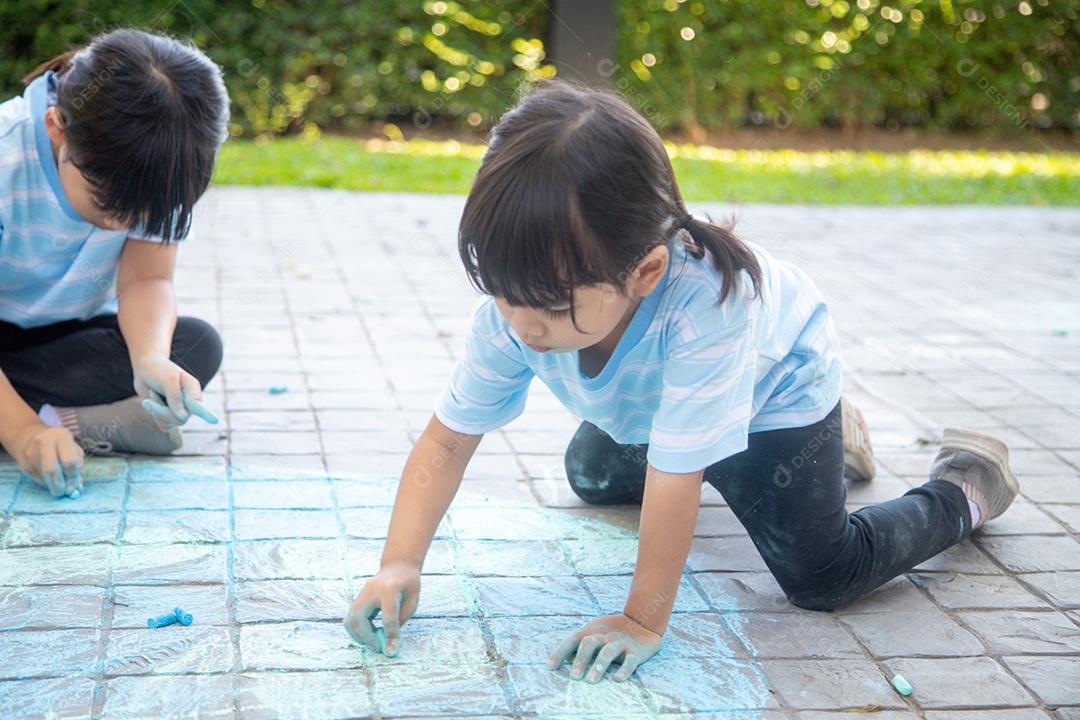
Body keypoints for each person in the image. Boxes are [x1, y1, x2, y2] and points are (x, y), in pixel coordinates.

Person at [343, 81, 1018, 683]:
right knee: (591, 476)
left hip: (774, 392)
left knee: (822, 574)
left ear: (645, 273)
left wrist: (642, 619)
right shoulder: (518, 309)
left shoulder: (707, 312)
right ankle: (823, 438)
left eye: (549, 306)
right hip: (668, 404)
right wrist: (399, 561)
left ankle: (964, 485)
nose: (522, 325)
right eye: (502, 291)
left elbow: (675, 476)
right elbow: (447, 441)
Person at [0, 29, 230, 498]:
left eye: (142, 215)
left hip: (58, 344)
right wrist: (23, 436)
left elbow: (147, 278)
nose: (122, 225)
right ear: (56, 128)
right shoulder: (7, 161)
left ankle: (57, 424)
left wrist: (149, 359)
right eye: (107, 205)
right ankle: (36, 425)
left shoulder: (165, 167)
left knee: (195, 346)